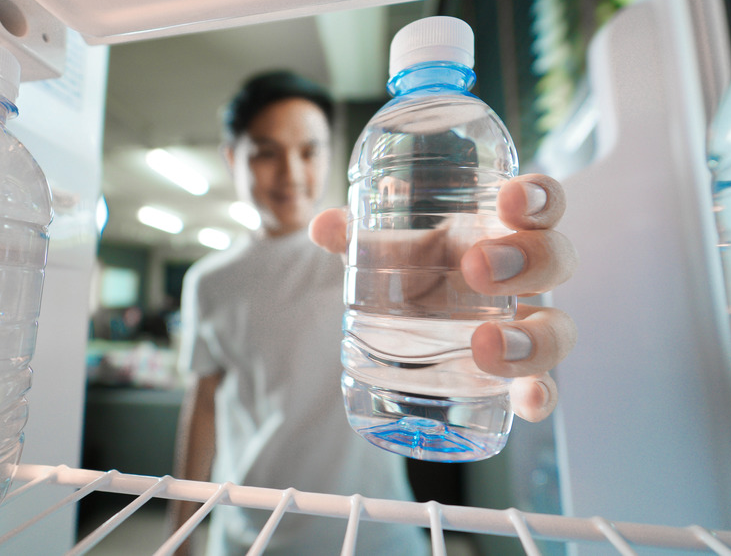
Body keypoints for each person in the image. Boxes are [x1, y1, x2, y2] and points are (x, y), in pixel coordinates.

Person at [169, 70, 576, 555]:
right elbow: (204, 406)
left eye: (309, 150)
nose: (292, 172)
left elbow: (439, 251)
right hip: (248, 535)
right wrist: (181, 530)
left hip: (375, 532)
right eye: (266, 152)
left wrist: (502, 275)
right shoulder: (209, 281)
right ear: (233, 157)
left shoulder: (366, 251)